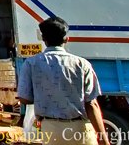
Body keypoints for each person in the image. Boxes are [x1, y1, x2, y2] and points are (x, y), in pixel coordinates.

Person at [18, 16, 109, 145]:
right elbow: (92, 104)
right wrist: (104, 140)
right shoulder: (82, 64)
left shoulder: (31, 64)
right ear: (66, 39)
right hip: (81, 130)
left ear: (43, 39)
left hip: (50, 130)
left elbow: (24, 98)